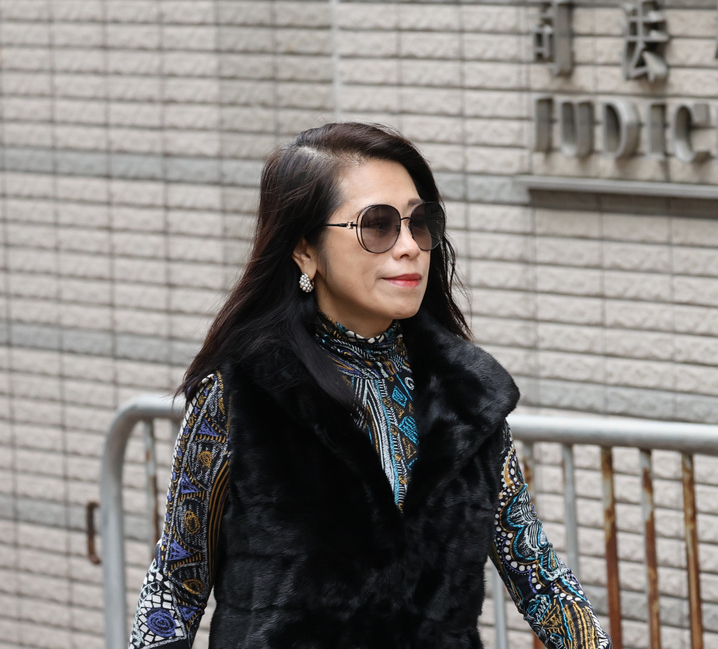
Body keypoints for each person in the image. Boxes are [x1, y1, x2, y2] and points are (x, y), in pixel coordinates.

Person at [129, 122, 611, 649]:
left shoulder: (467, 399)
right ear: (305, 250)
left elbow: (539, 577)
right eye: (377, 226)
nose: (408, 247)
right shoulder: (242, 391)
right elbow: (175, 586)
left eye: (420, 223)